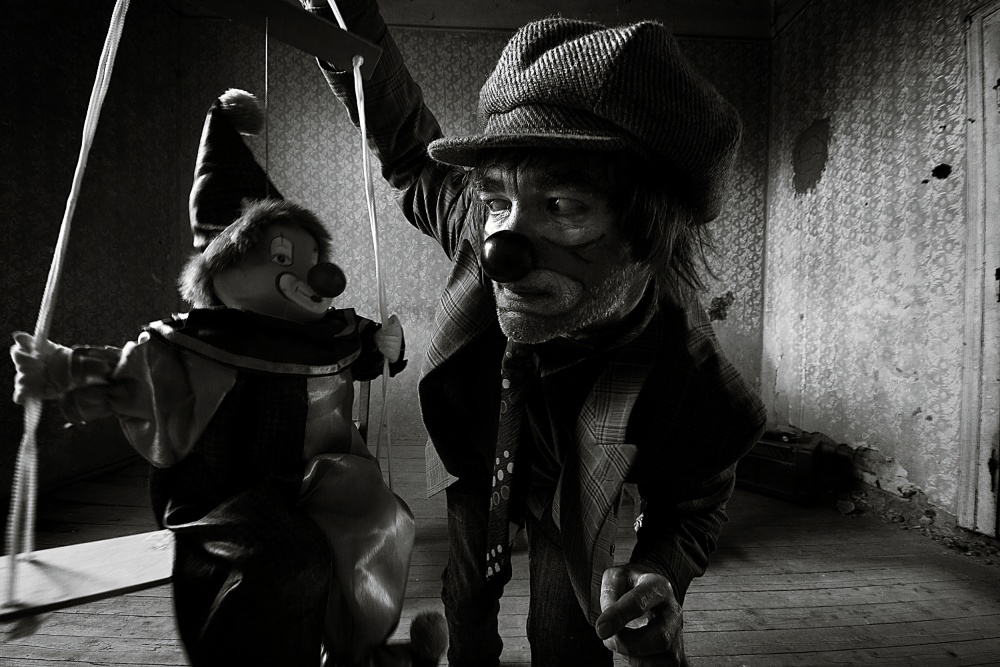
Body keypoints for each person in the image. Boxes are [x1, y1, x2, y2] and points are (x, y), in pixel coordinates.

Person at [303, 2, 767, 665]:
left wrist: (659, 569)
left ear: (652, 230)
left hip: (570, 482)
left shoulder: (686, 373)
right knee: (466, 593)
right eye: (498, 201)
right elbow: (407, 146)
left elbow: (692, 505)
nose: (503, 250)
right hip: (477, 448)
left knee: (568, 630)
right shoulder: (476, 227)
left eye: (564, 206)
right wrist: (348, 25)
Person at [9, 89, 447, 667]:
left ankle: (356, 650)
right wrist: (62, 369)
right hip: (227, 492)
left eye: (312, 259)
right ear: (222, 269)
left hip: (320, 480)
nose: (318, 275)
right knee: (291, 557)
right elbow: (131, 377)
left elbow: (359, 355)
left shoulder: (329, 331)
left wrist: (385, 346)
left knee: (380, 524)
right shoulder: (196, 342)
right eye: (283, 258)